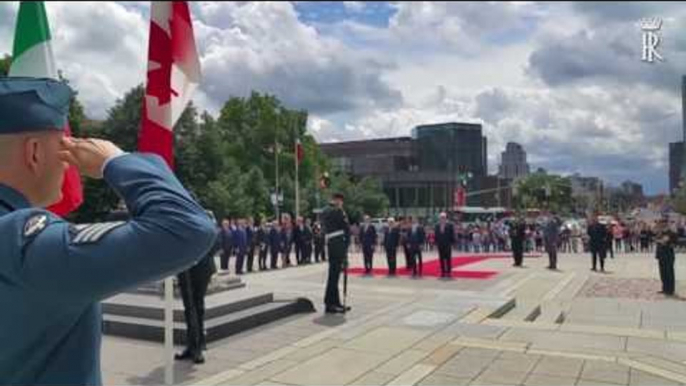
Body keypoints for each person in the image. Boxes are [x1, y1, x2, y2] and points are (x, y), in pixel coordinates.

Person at [0, 78, 216, 385]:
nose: (68, 166)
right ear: (34, 152)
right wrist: (115, 160)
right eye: (64, 145)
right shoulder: (20, 242)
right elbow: (187, 228)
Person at [176, 212, 219, 364]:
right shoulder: (181, 221)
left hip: (200, 268)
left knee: (196, 307)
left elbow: (216, 243)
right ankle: (193, 345)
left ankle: (198, 347)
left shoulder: (204, 219)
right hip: (185, 269)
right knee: (190, 308)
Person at [322, 192, 351, 314]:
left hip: (331, 244)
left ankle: (335, 303)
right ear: (338, 200)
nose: (341, 204)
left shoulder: (325, 210)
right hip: (339, 244)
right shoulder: (338, 211)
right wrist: (346, 245)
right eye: (340, 201)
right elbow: (346, 228)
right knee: (334, 276)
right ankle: (330, 304)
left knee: (333, 275)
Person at [654, 218, 677, 296]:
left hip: (668, 255)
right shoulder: (660, 233)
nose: (661, 225)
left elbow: (665, 241)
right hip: (661, 255)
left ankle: (670, 290)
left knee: (669, 273)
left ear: (666, 224)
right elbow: (657, 240)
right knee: (663, 273)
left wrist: (660, 241)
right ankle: (665, 288)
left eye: (662, 223)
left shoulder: (671, 233)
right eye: (660, 223)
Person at [435, 212, 455, 278]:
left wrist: (452, 243)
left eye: (443, 217)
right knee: (441, 259)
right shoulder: (437, 225)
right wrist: (436, 243)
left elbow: (452, 234)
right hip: (440, 244)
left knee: (448, 259)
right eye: (441, 217)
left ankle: (448, 272)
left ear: (446, 218)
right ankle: (443, 272)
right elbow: (436, 235)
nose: (442, 219)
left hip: (447, 244)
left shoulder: (450, 225)